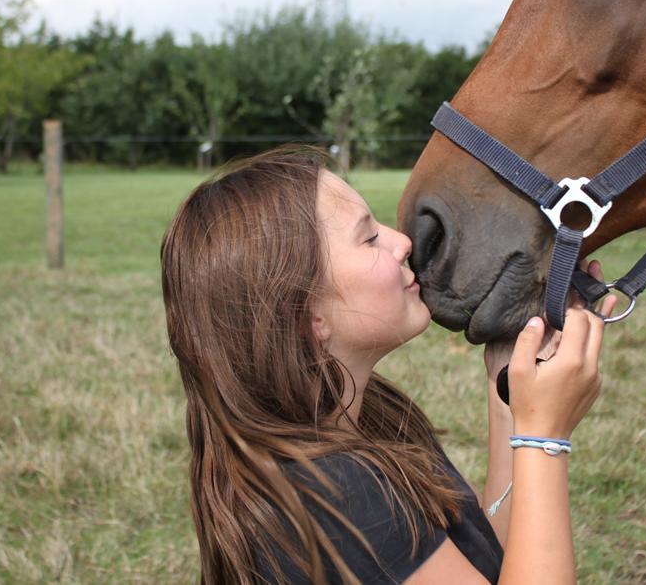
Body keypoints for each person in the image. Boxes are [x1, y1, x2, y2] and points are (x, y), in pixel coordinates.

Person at [161, 147, 615, 584]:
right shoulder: (333, 491)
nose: (401, 242)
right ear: (307, 317)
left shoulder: (373, 420)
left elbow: (490, 560)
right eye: (369, 237)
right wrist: (544, 439)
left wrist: (509, 387)